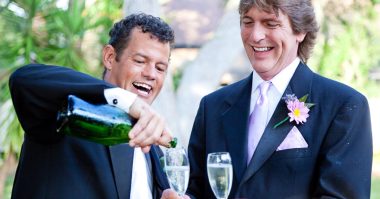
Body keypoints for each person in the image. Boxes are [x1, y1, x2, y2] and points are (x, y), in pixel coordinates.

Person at [163, 0, 373, 198]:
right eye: (247, 22)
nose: (255, 36)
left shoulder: (344, 106)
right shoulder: (213, 106)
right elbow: (196, 189)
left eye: (270, 23)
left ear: (300, 30)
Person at [9, 13, 175, 199]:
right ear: (110, 57)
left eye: (160, 68)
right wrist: (126, 100)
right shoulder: (69, 112)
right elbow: (23, 80)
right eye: (140, 61)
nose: (151, 74)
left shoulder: (154, 150)